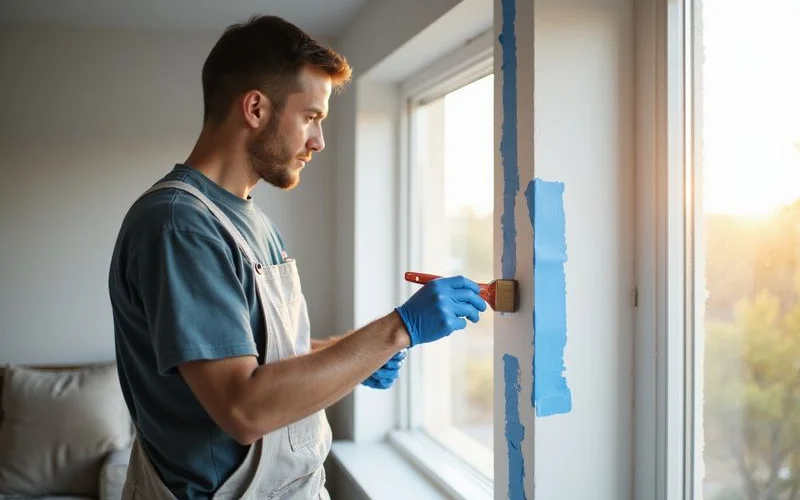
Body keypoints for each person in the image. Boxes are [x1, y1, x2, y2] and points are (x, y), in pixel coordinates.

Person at [107, 14, 487, 500]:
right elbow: (244, 409)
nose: (319, 142)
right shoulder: (179, 225)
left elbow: (264, 354)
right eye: (311, 117)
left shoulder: (249, 219)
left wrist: (357, 354)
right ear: (255, 108)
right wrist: (398, 328)